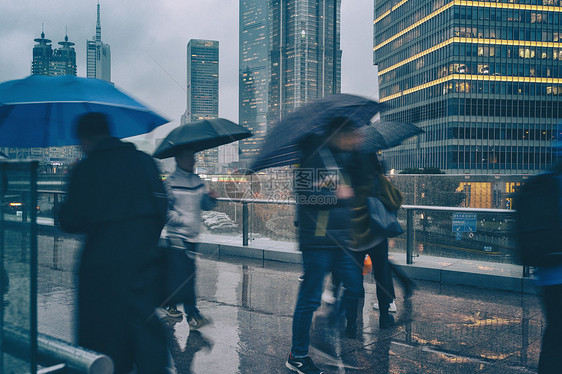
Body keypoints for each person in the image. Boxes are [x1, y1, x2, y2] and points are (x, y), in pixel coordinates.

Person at [59, 112, 169, 373]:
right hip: (143, 267)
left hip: (100, 274)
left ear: (85, 139)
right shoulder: (144, 162)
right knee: (144, 337)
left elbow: (70, 220)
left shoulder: (85, 169)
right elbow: (162, 208)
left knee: (103, 348)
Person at [286, 117, 363, 374]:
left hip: (339, 239)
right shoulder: (314, 155)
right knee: (309, 299)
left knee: (354, 285)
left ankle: (332, 319)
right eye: (352, 134)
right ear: (339, 134)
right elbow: (304, 193)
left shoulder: (340, 159)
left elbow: (346, 191)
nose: (356, 138)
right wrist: (334, 194)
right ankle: (297, 356)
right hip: (318, 240)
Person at [161, 147, 217, 330]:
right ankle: (193, 315)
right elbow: (164, 212)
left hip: (193, 236)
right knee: (187, 276)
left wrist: (211, 199)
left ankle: (169, 305)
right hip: (177, 237)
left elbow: (205, 206)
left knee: (182, 275)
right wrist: (182, 220)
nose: (194, 161)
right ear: (178, 159)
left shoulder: (198, 181)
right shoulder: (170, 183)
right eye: (189, 157)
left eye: (194, 157)